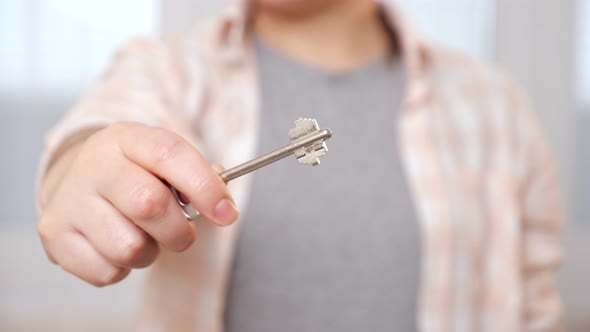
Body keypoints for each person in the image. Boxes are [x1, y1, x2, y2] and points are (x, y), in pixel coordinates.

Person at [36, 0, 564, 331]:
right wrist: (78, 170)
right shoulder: (170, 68)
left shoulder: (494, 105)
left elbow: (534, 309)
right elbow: (98, 130)